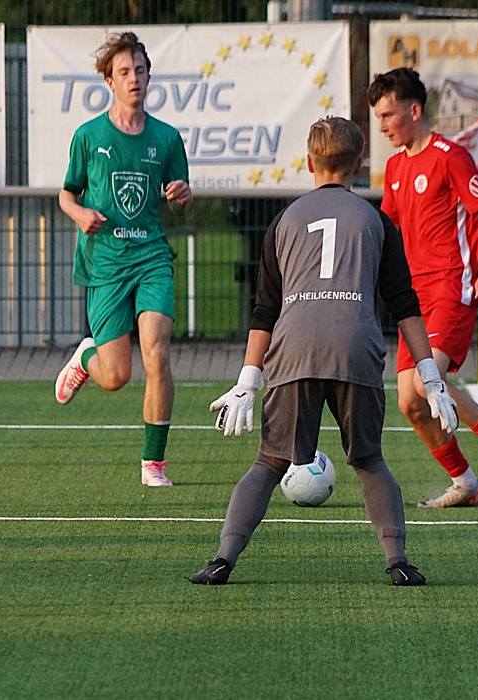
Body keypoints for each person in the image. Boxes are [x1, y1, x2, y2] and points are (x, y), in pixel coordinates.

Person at [191, 116, 457, 586]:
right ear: (359, 163)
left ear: (309, 163)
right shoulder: (377, 221)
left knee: (268, 463)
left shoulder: (284, 220)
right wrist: (430, 377)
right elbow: (404, 304)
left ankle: (222, 560)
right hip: (355, 348)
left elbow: (265, 310)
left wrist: (248, 380)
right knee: (368, 460)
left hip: (294, 349)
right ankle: (398, 562)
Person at [368, 67, 478, 508]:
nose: (381, 126)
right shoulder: (395, 166)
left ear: (414, 111)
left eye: (387, 115)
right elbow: (387, 228)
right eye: (378, 117)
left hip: (452, 285)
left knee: (429, 384)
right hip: (414, 296)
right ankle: (466, 482)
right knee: (410, 402)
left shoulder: (449, 156)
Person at [53, 32, 192, 487]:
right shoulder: (88, 136)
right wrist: (80, 214)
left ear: (150, 77)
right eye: (124, 72)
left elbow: (179, 202)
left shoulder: (167, 138)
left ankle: (154, 463)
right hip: (107, 263)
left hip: (151, 257)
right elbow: (67, 194)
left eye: (140, 70)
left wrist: (182, 195)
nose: (134, 78)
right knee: (115, 376)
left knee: (157, 351)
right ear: (109, 81)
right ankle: (86, 357)